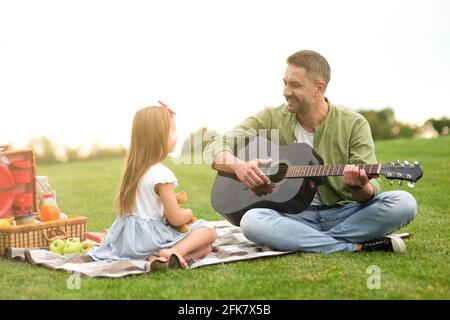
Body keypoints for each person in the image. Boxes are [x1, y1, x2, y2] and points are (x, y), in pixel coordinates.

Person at [204, 50, 417, 253]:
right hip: (290, 217)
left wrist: (359, 186)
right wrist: (238, 166)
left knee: (404, 203)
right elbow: (214, 145)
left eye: (295, 85)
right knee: (252, 221)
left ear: (319, 88)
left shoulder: (353, 124)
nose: (286, 91)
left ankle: (302, 239)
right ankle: (352, 246)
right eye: (285, 83)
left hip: (341, 213)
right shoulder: (270, 118)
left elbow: (370, 193)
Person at [89, 103, 216, 268]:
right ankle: (174, 251)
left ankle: (163, 258)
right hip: (150, 240)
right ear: (159, 136)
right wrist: (188, 213)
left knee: (206, 248)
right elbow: (175, 219)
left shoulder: (133, 171)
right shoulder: (162, 175)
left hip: (128, 242)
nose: (177, 135)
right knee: (208, 231)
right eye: (173, 130)